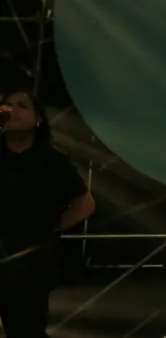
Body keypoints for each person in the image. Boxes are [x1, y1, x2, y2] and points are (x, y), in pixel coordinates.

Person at [0, 85, 95, 337]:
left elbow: (85, 203)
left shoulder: (52, 160)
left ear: (38, 119)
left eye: (22, 106)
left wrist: (50, 227)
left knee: (25, 327)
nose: (12, 111)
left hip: (29, 258)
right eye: (8, 106)